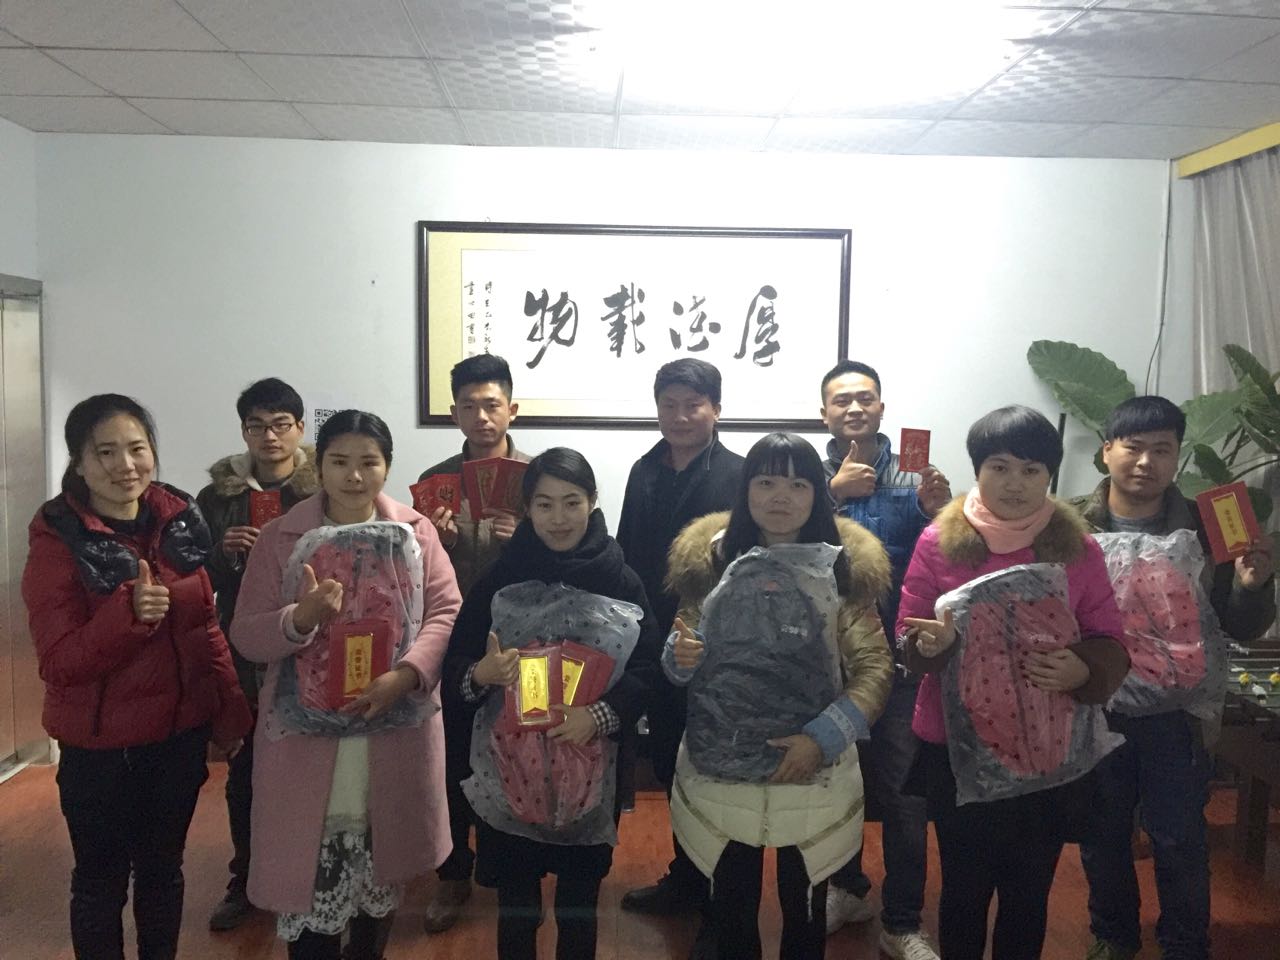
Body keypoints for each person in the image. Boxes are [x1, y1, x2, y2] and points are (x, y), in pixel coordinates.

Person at [22, 393, 252, 960]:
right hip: (102, 750)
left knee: (163, 873)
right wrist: (126, 616)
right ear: (79, 462)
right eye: (105, 452)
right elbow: (59, 662)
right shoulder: (58, 540)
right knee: (100, 883)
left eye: (137, 448)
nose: (125, 465)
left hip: (176, 739)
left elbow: (205, 628)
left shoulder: (177, 520)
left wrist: (230, 712)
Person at [230, 410, 462, 960]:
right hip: (307, 741)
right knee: (311, 885)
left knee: (379, 883)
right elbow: (246, 633)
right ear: (319, 467)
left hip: (391, 723)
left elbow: (445, 611)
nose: (354, 476)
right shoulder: (281, 537)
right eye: (339, 462)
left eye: (368, 462)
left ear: (387, 467)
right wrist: (300, 618)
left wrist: (406, 674)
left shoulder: (416, 533)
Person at [900, 405, 1129, 960]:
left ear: (1049, 474)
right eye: (999, 467)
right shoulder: (938, 542)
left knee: (1028, 891)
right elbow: (907, 631)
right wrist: (930, 644)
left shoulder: (1078, 548)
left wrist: (1085, 668)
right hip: (959, 751)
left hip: (1045, 749)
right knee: (963, 887)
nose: (1015, 483)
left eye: (1031, 470)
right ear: (977, 469)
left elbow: (1109, 637)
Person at [663, 432, 894, 960]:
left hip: (811, 763)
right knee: (731, 905)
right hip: (722, 760)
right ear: (745, 489)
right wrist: (680, 656)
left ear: (818, 493)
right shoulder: (712, 561)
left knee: (805, 908)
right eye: (766, 482)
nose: (781, 497)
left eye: (797, 484)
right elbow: (682, 643)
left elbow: (875, 667)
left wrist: (821, 739)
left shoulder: (843, 569)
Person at [1075, 396, 1275, 960]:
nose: (1146, 462)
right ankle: (1112, 935)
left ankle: (1185, 945)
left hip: (1177, 714)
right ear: (1106, 451)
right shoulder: (1069, 524)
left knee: (1179, 836)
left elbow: (1239, 625)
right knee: (1102, 832)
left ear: (1177, 456)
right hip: (1094, 705)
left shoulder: (1212, 528)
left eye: (1161, 450)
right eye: (1133, 447)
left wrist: (1252, 586)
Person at [442, 447, 660, 960]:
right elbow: (457, 663)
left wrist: (598, 716)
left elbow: (649, 669)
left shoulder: (620, 579)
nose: (558, 518)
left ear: (592, 502)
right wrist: (481, 674)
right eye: (544, 504)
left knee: (578, 905)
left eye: (571, 502)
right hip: (508, 772)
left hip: (591, 769)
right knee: (516, 904)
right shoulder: (500, 578)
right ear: (527, 509)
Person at [818, 360, 949, 959]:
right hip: (827, 665)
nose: (853, 408)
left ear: (881, 408)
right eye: (841, 400)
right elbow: (778, 544)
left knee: (904, 797)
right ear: (824, 412)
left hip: (900, 665)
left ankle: (901, 921)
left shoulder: (917, 474)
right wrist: (831, 495)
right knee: (834, 785)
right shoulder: (803, 476)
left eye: (864, 398)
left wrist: (938, 511)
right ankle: (845, 890)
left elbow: (941, 558)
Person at [618, 359, 744, 944]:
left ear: (716, 408)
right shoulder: (643, 470)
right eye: (668, 405)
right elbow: (627, 552)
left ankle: (724, 888)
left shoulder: (741, 474)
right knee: (669, 760)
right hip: (657, 640)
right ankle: (687, 876)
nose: (680, 416)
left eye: (693, 404)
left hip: (721, 647)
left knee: (717, 765)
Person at [197, 376, 318, 931]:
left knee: (308, 769)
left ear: (299, 428)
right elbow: (197, 575)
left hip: (311, 645)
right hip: (245, 647)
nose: (269, 436)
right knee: (245, 771)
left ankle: (306, 875)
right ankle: (244, 879)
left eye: (280, 425)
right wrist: (224, 554)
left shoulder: (322, 489)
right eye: (256, 426)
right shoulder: (217, 497)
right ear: (243, 431)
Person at [418, 353, 532, 932]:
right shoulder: (435, 482)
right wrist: (432, 541)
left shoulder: (541, 478)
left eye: (492, 405)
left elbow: (578, 545)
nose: (482, 417)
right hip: (455, 639)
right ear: (454, 413)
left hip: (525, 641)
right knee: (453, 756)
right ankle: (453, 873)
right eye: (469, 406)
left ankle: (511, 864)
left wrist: (526, 538)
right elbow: (410, 571)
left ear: (513, 408)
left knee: (518, 750)